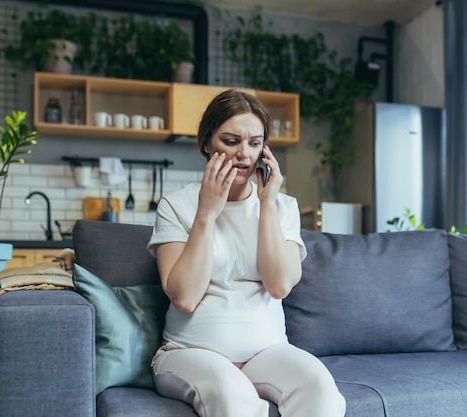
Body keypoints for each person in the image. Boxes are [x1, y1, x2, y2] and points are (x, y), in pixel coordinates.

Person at [147, 89, 346, 417]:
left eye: (255, 143)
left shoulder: (283, 207)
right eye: (230, 140)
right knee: (231, 394)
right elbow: (184, 297)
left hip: (267, 352)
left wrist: (267, 204)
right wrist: (207, 213)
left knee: (320, 389)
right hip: (189, 352)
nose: (244, 154)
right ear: (207, 142)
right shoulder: (177, 205)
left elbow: (279, 285)